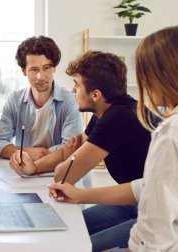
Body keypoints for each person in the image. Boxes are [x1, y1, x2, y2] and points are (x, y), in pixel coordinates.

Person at [50, 25, 178, 252]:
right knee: (68, 231)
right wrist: (80, 195)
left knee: (78, 246)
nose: (144, 82)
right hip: (139, 205)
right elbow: (147, 187)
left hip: (168, 236)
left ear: (163, 76)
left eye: (145, 73)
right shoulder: (177, 121)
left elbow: (153, 231)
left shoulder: (172, 132)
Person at [12, 50, 159, 251]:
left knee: (77, 246)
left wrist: (71, 155)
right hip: (134, 201)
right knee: (67, 230)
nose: (72, 91)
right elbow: (72, 147)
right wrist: (34, 167)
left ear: (96, 95)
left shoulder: (117, 117)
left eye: (77, 85)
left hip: (157, 213)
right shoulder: (108, 110)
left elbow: (64, 176)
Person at [0, 35, 83, 164]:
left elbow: (70, 148)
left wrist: (39, 155)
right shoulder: (15, 100)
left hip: (59, 170)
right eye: (34, 69)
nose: (41, 76)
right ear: (24, 71)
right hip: (24, 170)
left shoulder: (70, 101)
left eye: (46, 68)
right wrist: (30, 152)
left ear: (54, 67)